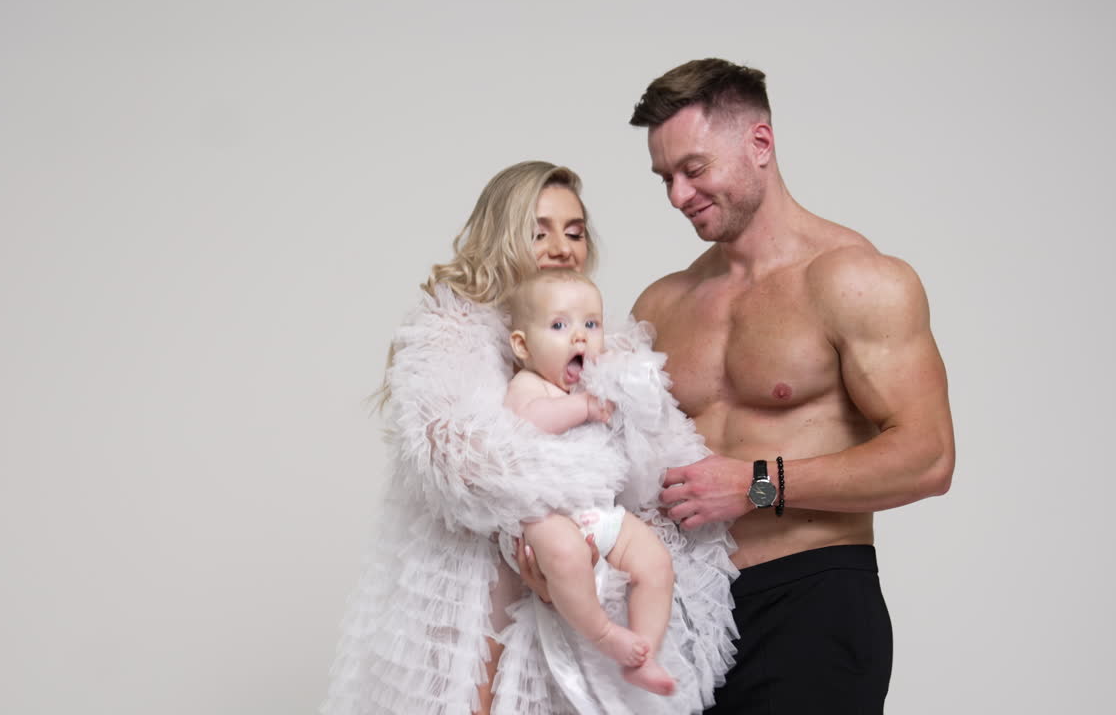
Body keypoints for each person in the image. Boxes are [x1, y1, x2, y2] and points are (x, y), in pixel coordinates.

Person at [322, 161, 737, 715]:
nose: (562, 247)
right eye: (538, 231)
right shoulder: (449, 332)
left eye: (574, 230)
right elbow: (457, 460)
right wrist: (575, 494)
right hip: (472, 587)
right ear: (502, 235)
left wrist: (760, 488)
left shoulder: (593, 343)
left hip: (573, 594)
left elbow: (652, 472)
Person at [627, 59, 956, 713]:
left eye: (694, 169)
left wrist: (756, 482)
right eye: (665, 179)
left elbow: (929, 458)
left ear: (760, 144)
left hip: (811, 601)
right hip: (685, 617)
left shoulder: (853, 280)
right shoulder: (661, 304)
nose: (677, 197)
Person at [504, 269, 675, 696]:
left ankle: (645, 652)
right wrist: (581, 407)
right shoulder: (528, 385)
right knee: (564, 555)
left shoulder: (598, 385)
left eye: (591, 324)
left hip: (601, 511)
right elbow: (525, 423)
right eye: (560, 326)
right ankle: (603, 634)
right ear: (523, 345)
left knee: (656, 564)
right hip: (548, 512)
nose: (580, 338)